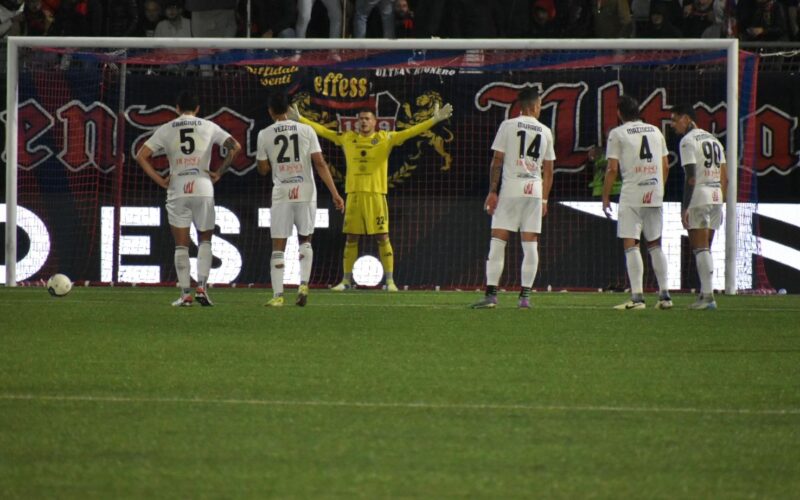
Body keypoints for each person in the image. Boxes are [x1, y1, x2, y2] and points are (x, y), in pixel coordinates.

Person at [289, 100, 453, 292]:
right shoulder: (348, 138)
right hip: (354, 195)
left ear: (375, 122)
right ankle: (346, 281)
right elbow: (324, 131)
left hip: (376, 195)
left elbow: (411, 132)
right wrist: (301, 119)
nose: (363, 122)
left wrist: (433, 121)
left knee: (383, 237)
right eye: (361, 119)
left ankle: (390, 281)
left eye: (367, 119)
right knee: (351, 238)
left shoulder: (386, 138)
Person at [136, 90, 242, 307]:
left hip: (178, 188)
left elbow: (141, 155)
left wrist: (159, 179)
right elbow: (235, 147)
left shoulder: (166, 129)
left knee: (181, 246)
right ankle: (202, 288)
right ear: (197, 109)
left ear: (176, 108)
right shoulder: (208, 126)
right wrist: (219, 172)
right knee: (205, 239)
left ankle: (185, 294)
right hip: (203, 185)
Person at [256, 93, 345, 307]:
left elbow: (263, 169)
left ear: (270, 111)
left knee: (278, 244)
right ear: (289, 109)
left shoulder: (264, 134)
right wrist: (335, 193)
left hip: (282, 191)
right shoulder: (306, 130)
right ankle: (303, 284)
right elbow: (320, 163)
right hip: (306, 190)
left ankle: (278, 296)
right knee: (305, 239)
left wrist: (269, 161)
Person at [471, 88, 555, 309]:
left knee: (498, 242)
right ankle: (525, 297)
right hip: (534, 191)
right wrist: (545, 199)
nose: (539, 109)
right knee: (530, 245)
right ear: (533, 106)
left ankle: (491, 295)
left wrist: (492, 191)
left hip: (511, 189)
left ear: (520, 107)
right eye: (539, 106)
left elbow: (497, 160)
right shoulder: (545, 131)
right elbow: (549, 169)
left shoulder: (508, 126)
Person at [601, 95, 671, 310]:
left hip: (632, 193)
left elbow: (612, 168)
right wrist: (658, 188)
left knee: (631, 244)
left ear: (620, 113)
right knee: (655, 243)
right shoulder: (655, 131)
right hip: (655, 191)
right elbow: (665, 165)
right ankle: (665, 296)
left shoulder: (617, 133)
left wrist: (605, 196)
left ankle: (638, 298)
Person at [670, 104, 727, 310]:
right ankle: (705, 294)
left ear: (686, 118)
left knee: (700, 248)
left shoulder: (687, 141)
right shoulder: (714, 140)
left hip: (699, 196)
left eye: (675, 120)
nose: (673, 125)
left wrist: (685, 206)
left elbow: (691, 177)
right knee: (706, 249)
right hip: (716, 195)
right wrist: (721, 199)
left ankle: (709, 297)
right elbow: (725, 176)